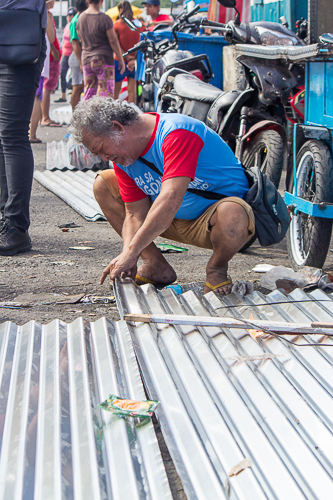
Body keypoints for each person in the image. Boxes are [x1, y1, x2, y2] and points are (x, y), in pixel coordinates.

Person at [69, 98, 255, 295]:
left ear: (117, 128)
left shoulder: (177, 132)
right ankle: (155, 265)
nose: (104, 158)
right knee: (104, 184)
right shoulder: (123, 156)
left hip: (216, 223)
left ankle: (217, 269)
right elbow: (134, 213)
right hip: (167, 219)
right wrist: (129, 254)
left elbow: (171, 198)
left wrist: (131, 252)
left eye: (100, 148)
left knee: (232, 213)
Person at [0, 0, 47, 255]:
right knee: (3, 135)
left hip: (19, 37)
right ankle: (7, 219)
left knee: (12, 133)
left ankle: (16, 226)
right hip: (13, 31)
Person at [76, 0, 125, 101]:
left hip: (87, 59)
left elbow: (80, 39)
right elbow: (113, 41)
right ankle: (105, 117)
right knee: (106, 94)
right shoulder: (104, 19)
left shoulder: (80, 18)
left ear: (88, 1)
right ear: (101, 1)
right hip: (104, 59)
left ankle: (87, 116)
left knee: (89, 93)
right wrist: (120, 59)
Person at [29, 13, 54, 143]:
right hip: (38, 56)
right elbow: (52, 36)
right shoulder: (42, 10)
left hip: (20, 54)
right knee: (35, 96)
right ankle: (31, 134)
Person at [113, 1, 141, 103]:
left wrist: (126, 56)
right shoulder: (138, 24)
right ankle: (132, 111)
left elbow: (115, 44)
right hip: (134, 61)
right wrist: (132, 58)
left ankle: (114, 112)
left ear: (120, 10)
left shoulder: (116, 24)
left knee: (116, 91)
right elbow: (141, 42)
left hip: (119, 60)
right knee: (132, 90)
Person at [41, 0, 62, 127]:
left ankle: (42, 116)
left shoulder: (46, 13)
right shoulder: (46, 13)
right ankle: (45, 117)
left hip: (49, 54)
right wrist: (54, 50)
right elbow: (50, 37)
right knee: (46, 88)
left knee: (44, 88)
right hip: (50, 56)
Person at [55, 6, 77, 103]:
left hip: (73, 54)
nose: (69, 17)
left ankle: (73, 94)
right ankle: (63, 95)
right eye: (68, 15)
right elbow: (63, 40)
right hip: (65, 53)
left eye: (71, 15)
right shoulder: (67, 26)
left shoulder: (75, 24)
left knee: (74, 76)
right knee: (62, 74)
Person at [69, 0, 87, 111]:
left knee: (82, 87)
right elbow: (75, 42)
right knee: (77, 87)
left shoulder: (80, 18)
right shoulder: (76, 20)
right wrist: (81, 62)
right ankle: (74, 116)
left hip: (80, 56)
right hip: (77, 57)